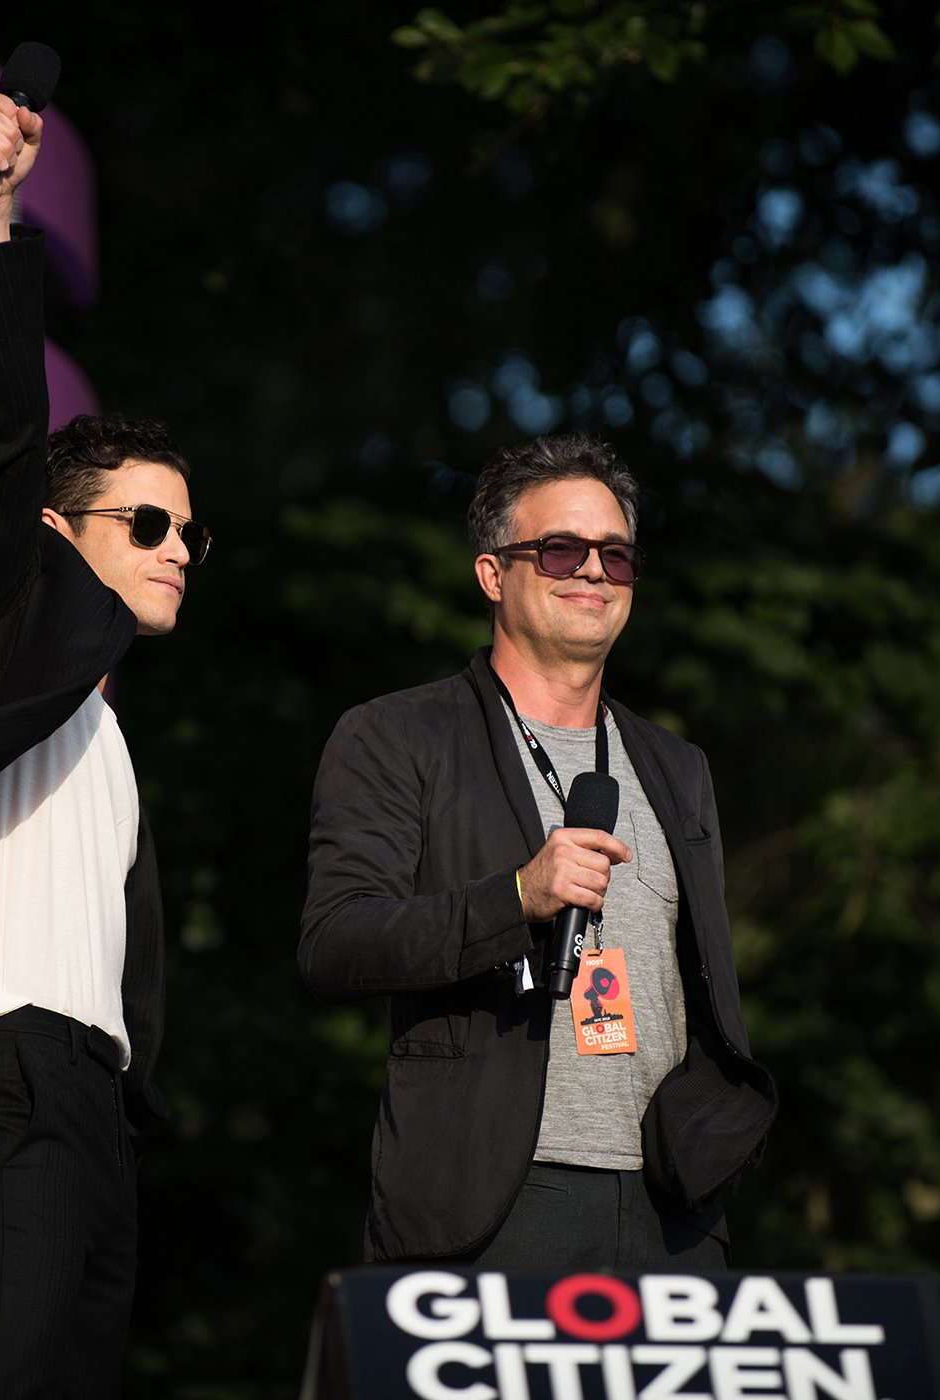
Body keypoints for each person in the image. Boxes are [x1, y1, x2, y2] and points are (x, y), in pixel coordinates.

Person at [0, 92, 209, 1396]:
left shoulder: (107, 727)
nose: (180, 548)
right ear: (64, 538)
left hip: (95, 1112)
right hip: (2, 1082)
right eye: (148, 524)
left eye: (188, 531)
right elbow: (7, 436)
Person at [299, 432, 774, 1270]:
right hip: (495, 1198)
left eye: (616, 556)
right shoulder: (398, 735)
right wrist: (514, 897)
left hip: (673, 1206)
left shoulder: (676, 768)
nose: (593, 570)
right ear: (493, 574)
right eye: (561, 550)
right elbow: (336, 940)